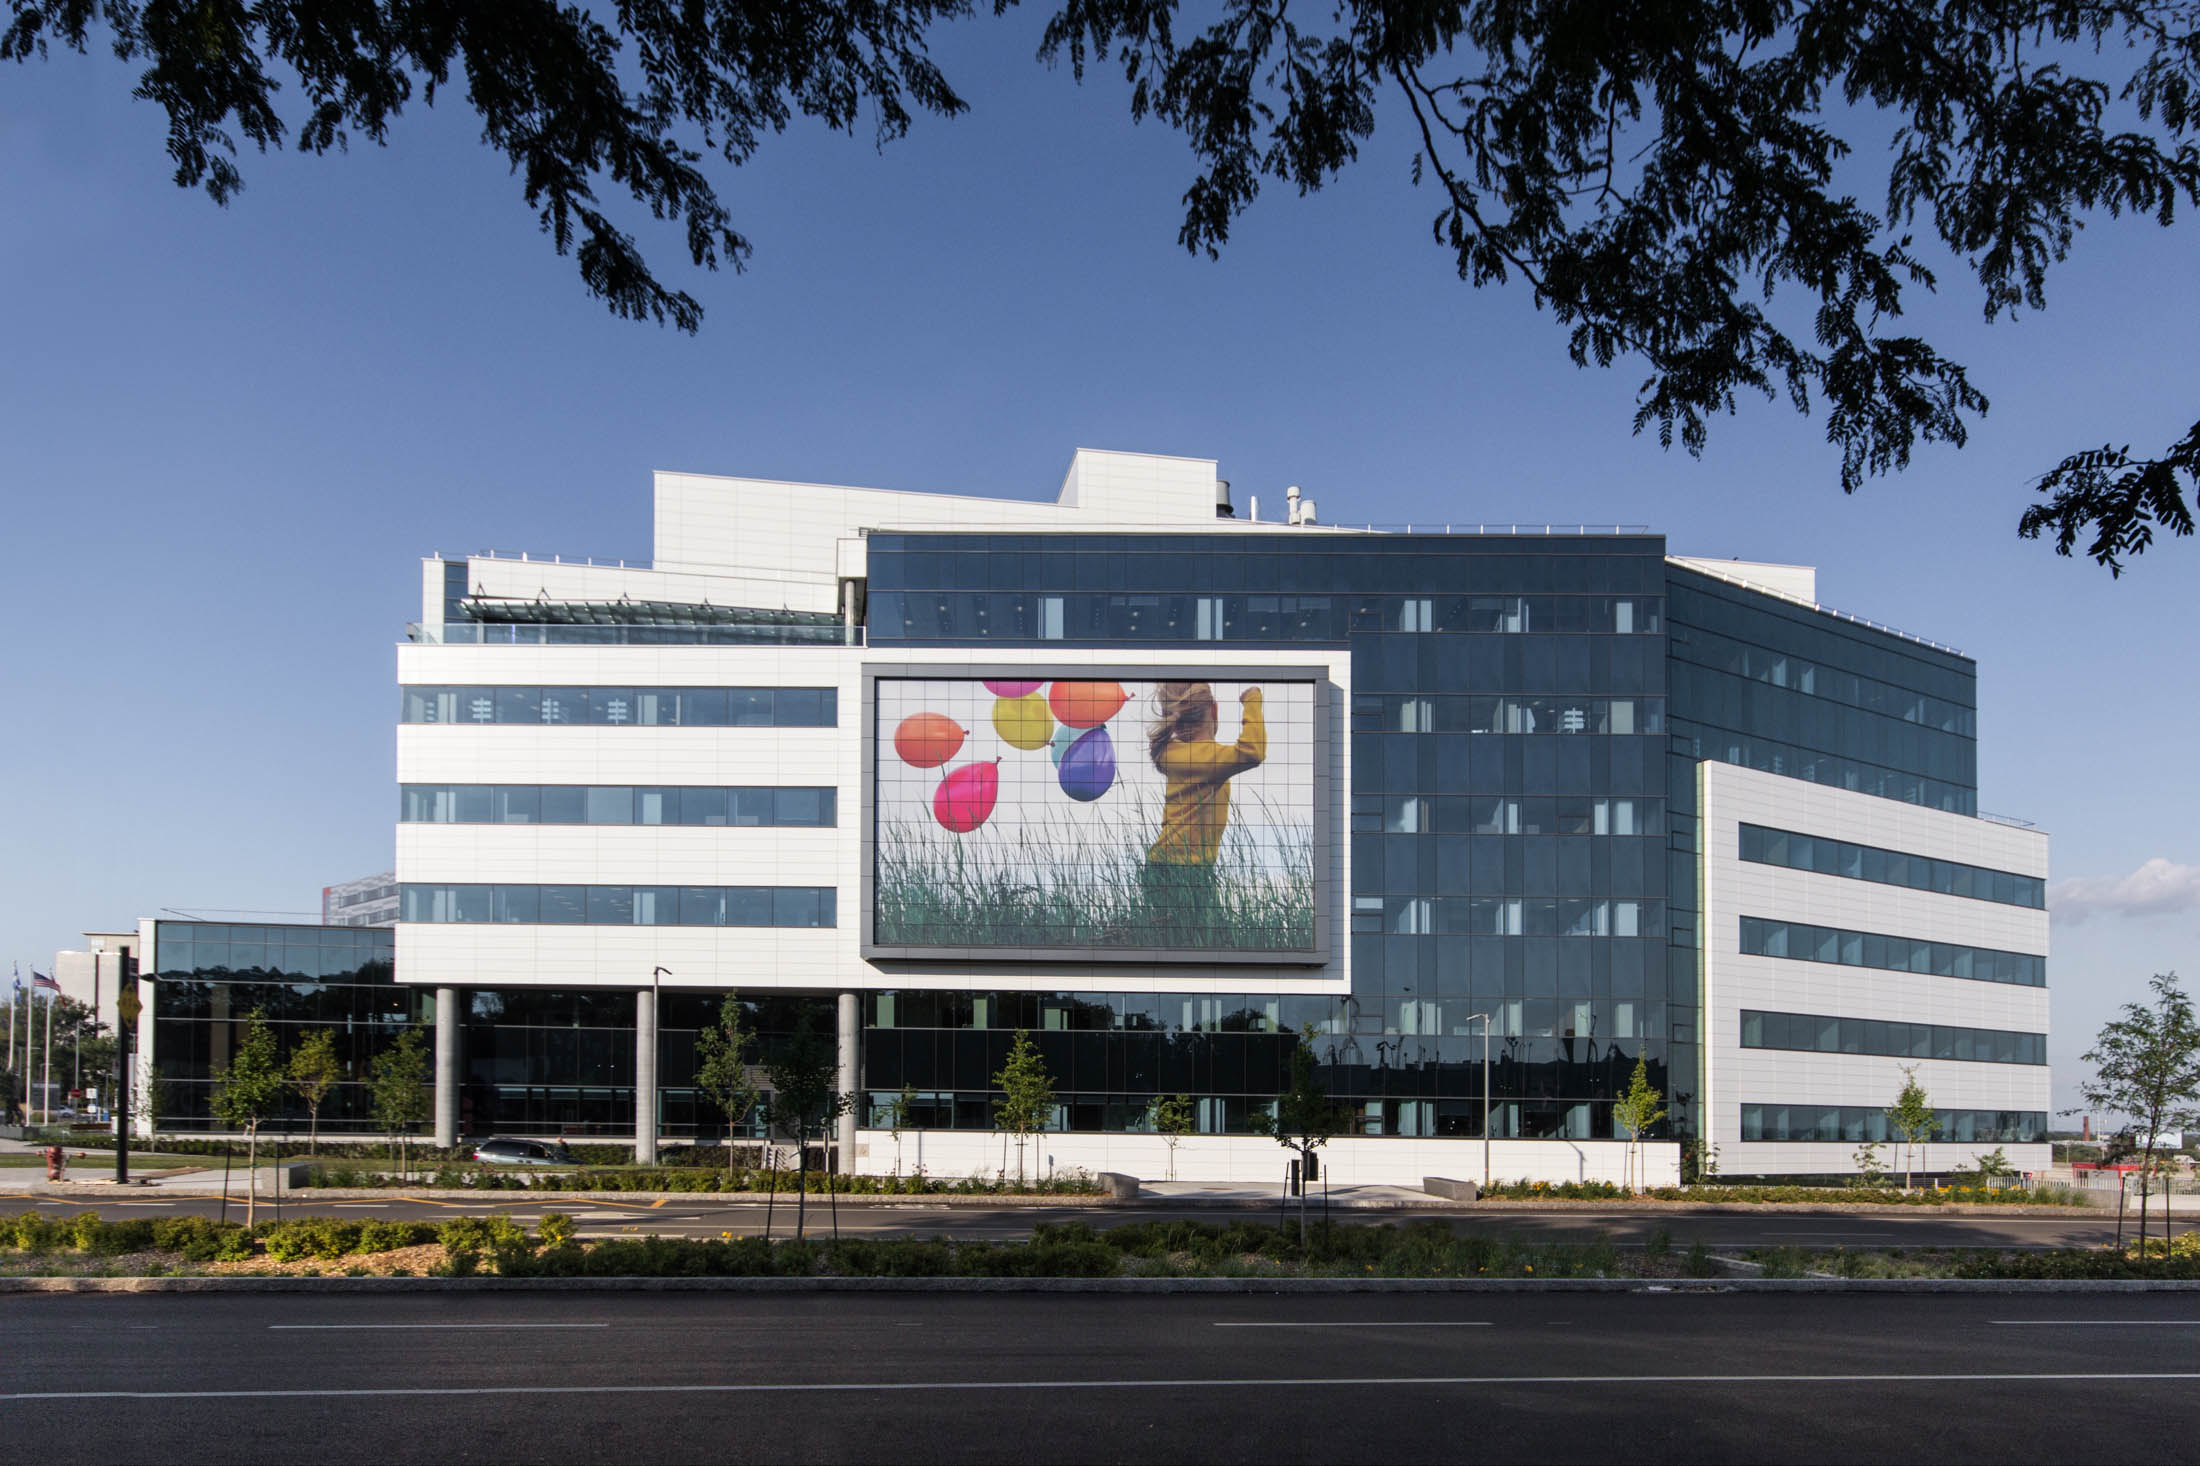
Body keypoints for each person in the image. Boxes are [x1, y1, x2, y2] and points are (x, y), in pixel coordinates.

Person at [1144, 681, 1266, 942]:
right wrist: (1252, 702)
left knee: (1182, 940)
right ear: (1214, 710)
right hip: (1187, 867)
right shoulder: (1209, 759)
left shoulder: (1169, 752)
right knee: (1203, 942)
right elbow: (1253, 752)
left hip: (1164, 863)